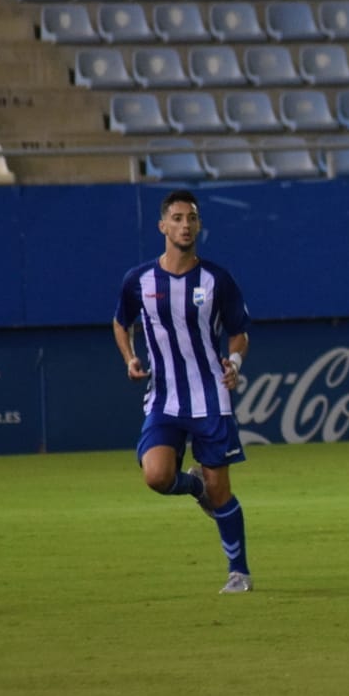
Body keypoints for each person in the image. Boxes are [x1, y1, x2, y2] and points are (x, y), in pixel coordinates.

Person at [112, 188, 255, 594]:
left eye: (191, 218)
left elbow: (239, 332)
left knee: (222, 491)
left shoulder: (216, 280)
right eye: (176, 218)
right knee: (156, 476)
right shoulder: (138, 279)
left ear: (199, 225)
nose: (185, 225)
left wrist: (235, 363)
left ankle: (239, 572)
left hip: (210, 395)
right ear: (162, 226)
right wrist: (130, 358)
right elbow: (121, 322)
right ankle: (194, 487)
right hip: (165, 398)